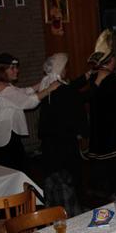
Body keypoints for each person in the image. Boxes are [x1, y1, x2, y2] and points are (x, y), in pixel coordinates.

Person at [38, 53, 87, 216]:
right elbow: (77, 105)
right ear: (60, 68)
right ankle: (73, 210)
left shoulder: (46, 85)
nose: (67, 70)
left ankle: (55, 210)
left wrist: (86, 77)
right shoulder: (63, 89)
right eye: (65, 67)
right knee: (69, 176)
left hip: (50, 141)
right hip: (64, 140)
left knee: (54, 177)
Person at [0, 53, 55, 172]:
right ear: (2, 71)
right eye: (12, 68)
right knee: (14, 169)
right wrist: (50, 89)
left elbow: (23, 92)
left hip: (6, 132)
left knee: (17, 167)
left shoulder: (3, 85)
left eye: (16, 67)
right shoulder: (5, 90)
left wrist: (43, 82)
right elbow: (29, 102)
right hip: (5, 135)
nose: (17, 71)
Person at [85, 30, 116, 195]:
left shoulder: (94, 79)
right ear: (110, 61)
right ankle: (112, 193)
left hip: (97, 130)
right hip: (112, 133)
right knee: (113, 169)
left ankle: (99, 190)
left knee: (100, 167)